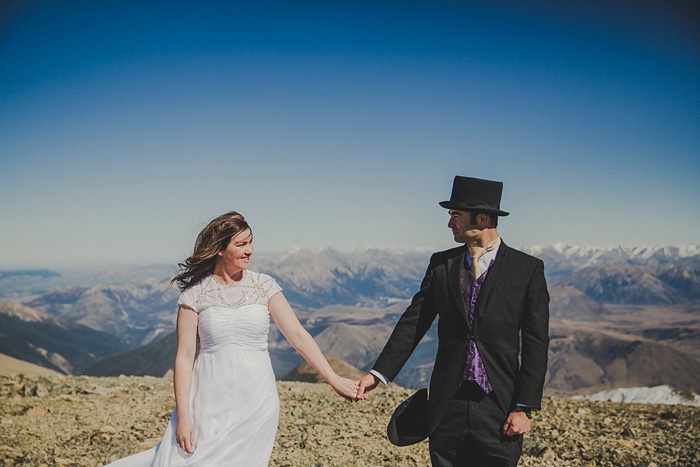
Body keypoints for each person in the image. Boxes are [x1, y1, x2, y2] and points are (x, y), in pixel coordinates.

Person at [107, 211, 359, 466]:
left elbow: (298, 336)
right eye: (241, 244)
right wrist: (184, 416)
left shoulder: (265, 285)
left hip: (257, 399)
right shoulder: (194, 295)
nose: (250, 250)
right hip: (207, 398)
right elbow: (183, 358)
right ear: (220, 249)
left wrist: (334, 379)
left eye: (250, 242)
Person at [357, 176, 550, 466]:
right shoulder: (441, 264)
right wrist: (378, 373)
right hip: (447, 402)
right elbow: (414, 322)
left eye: (456, 216)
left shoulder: (527, 269)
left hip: (499, 403)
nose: (450, 223)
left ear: (482, 218)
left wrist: (525, 408)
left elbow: (536, 343)